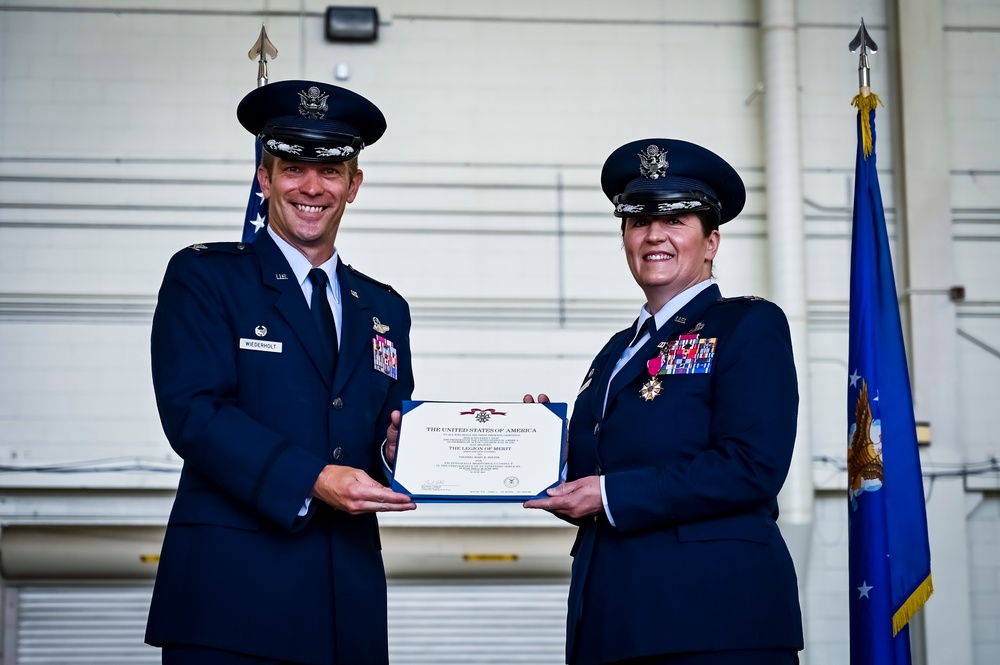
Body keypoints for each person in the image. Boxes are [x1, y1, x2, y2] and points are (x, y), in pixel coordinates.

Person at [145, 80, 416, 665]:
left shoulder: (385, 308)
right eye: (293, 168)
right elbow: (194, 413)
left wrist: (401, 451)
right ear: (264, 179)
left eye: (331, 172)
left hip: (347, 600)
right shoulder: (206, 279)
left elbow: (385, 431)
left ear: (354, 185)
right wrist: (313, 477)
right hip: (230, 598)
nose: (312, 187)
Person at [525, 139, 804, 665]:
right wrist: (537, 452)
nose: (654, 235)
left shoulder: (747, 325)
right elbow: (607, 472)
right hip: (613, 618)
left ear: (711, 241)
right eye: (638, 221)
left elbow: (753, 467)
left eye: (676, 220)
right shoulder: (616, 351)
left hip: (714, 620)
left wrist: (608, 495)